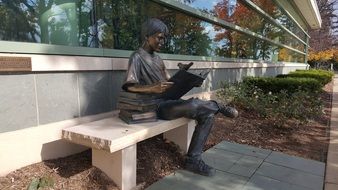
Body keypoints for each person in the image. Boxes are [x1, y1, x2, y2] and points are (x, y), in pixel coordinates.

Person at [121, 18, 238, 177]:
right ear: (146, 36)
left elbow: (169, 83)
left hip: (168, 100)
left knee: (208, 115)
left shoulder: (158, 59)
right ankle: (217, 105)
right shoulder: (137, 57)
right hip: (154, 106)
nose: (162, 41)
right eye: (159, 37)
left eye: (164, 38)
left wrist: (185, 77)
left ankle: (193, 160)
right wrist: (152, 88)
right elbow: (129, 85)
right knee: (194, 104)